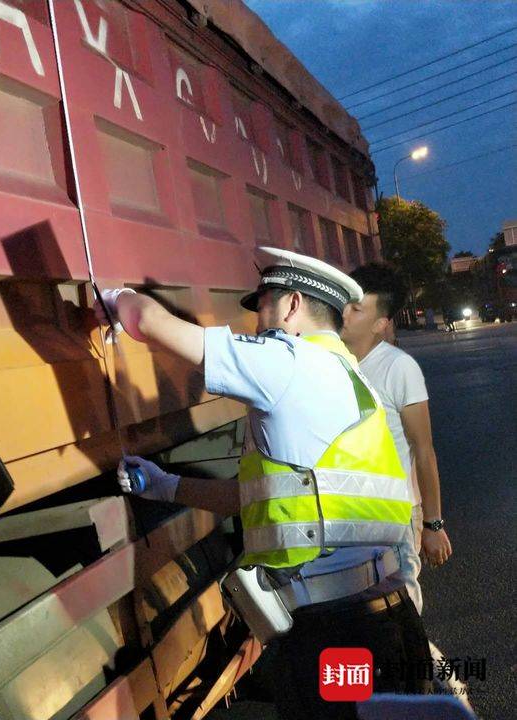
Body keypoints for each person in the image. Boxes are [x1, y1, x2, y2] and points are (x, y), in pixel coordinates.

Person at [94, 247, 432, 719]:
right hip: (388, 620)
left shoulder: (287, 363)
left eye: (263, 306)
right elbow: (262, 500)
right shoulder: (351, 376)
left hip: (335, 636)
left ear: (292, 306)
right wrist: (166, 485)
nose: (255, 324)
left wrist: (114, 296)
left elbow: (150, 324)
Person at [340, 263, 453, 616]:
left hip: (396, 514)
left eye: (357, 308)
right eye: (346, 302)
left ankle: (428, 672)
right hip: (347, 515)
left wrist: (433, 524)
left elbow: (424, 451)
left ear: (380, 323)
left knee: (399, 613)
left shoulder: (398, 368)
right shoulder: (330, 362)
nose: (344, 312)